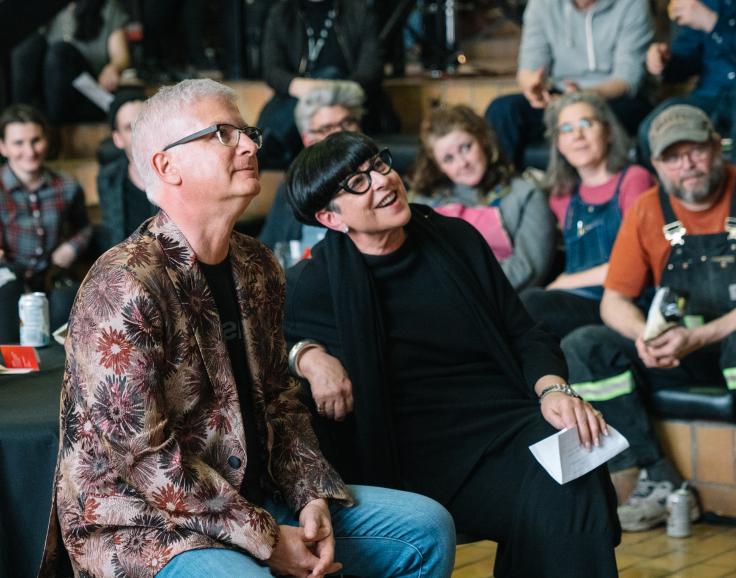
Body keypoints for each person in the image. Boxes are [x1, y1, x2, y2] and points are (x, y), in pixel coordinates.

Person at [38, 79, 456, 578]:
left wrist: (310, 496)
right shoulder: (123, 283)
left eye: (247, 132)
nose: (250, 145)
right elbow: (144, 457)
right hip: (147, 527)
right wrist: (263, 537)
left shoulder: (256, 264)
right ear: (166, 166)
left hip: (254, 497)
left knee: (426, 528)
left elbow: (280, 398)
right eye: (221, 134)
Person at [283, 131, 621, 577]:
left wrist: (554, 391)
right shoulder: (316, 281)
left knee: (578, 463)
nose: (383, 182)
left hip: (502, 422)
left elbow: (524, 332)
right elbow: (266, 346)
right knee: (564, 498)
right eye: (357, 184)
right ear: (331, 217)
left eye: (379, 166)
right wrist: (306, 355)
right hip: (416, 453)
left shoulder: (455, 239)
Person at [560, 105, 736, 552]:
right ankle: (659, 480)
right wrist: (644, 336)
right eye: (673, 157)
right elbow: (614, 300)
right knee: (585, 347)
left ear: (716, 147)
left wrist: (702, 336)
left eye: (696, 151)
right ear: (656, 165)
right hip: (678, 351)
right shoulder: (646, 208)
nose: (687, 165)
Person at [520, 92, 655, 338]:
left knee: (533, 305)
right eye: (567, 129)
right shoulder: (562, 195)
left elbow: (640, 262)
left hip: (625, 303)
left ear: (609, 131)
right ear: (558, 144)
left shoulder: (634, 179)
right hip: (577, 301)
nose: (577, 136)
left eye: (586, 124)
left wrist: (564, 282)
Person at [484, 0, 653, 168]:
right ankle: (502, 187)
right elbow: (529, 67)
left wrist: (581, 96)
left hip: (612, 96)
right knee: (502, 110)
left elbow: (627, 80)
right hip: (561, 94)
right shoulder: (541, 4)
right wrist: (532, 87)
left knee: (597, 114)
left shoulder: (632, 3)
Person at [408, 104, 555, 290]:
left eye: (466, 147)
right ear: (438, 166)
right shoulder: (421, 201)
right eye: (448, 159)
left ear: (483, 140)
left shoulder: (525, 195)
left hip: (500, 301)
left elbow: (529, 271)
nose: (463, 163)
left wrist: (468, 295)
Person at [257, 0, 397, 169]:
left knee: (331, 74)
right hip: (301, 99)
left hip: (350, 100)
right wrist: (300, 86)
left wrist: (332, 89)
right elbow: (272, 70)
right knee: (311, 95)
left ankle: (270, 146)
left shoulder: (358, 10)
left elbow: (371, 70)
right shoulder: (282, 13)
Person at [637, 0, 736, 171]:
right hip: (708, 98)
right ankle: (672, 193)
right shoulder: (705, 2)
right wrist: (663, 60)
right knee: (652, 126)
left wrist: (712, 23)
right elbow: (685, 62)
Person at [0, 104, 91, 342]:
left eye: (36, 140)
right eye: (19, 143)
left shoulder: (67, 186)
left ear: (46, 140)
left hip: (52, 277)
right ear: (3, 146)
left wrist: (73, 246)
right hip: (8, 279)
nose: (29, 151)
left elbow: (85, 227)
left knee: (69, 304)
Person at [259, 79, 365, 251]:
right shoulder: (292, 186)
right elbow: (270, 246)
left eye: (347, 123)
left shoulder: (382, 176)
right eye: (327, 128)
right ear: (308, 140)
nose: (341, 133)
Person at [11, 0, 131, 124]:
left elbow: (120, 56)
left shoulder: (107, 7)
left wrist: (113, 68)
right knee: (26, 47)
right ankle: (19, 118)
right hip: (50, 94)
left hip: (90, 93)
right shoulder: (51, 10)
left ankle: (53, 126)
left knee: (60, 52)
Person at [96, 88, 157, 252]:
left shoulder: (177, 172)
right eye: (130, 127)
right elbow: (113, 237)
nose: (139, 132)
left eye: (143, 122)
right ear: (118, 139)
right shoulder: (109, 179)